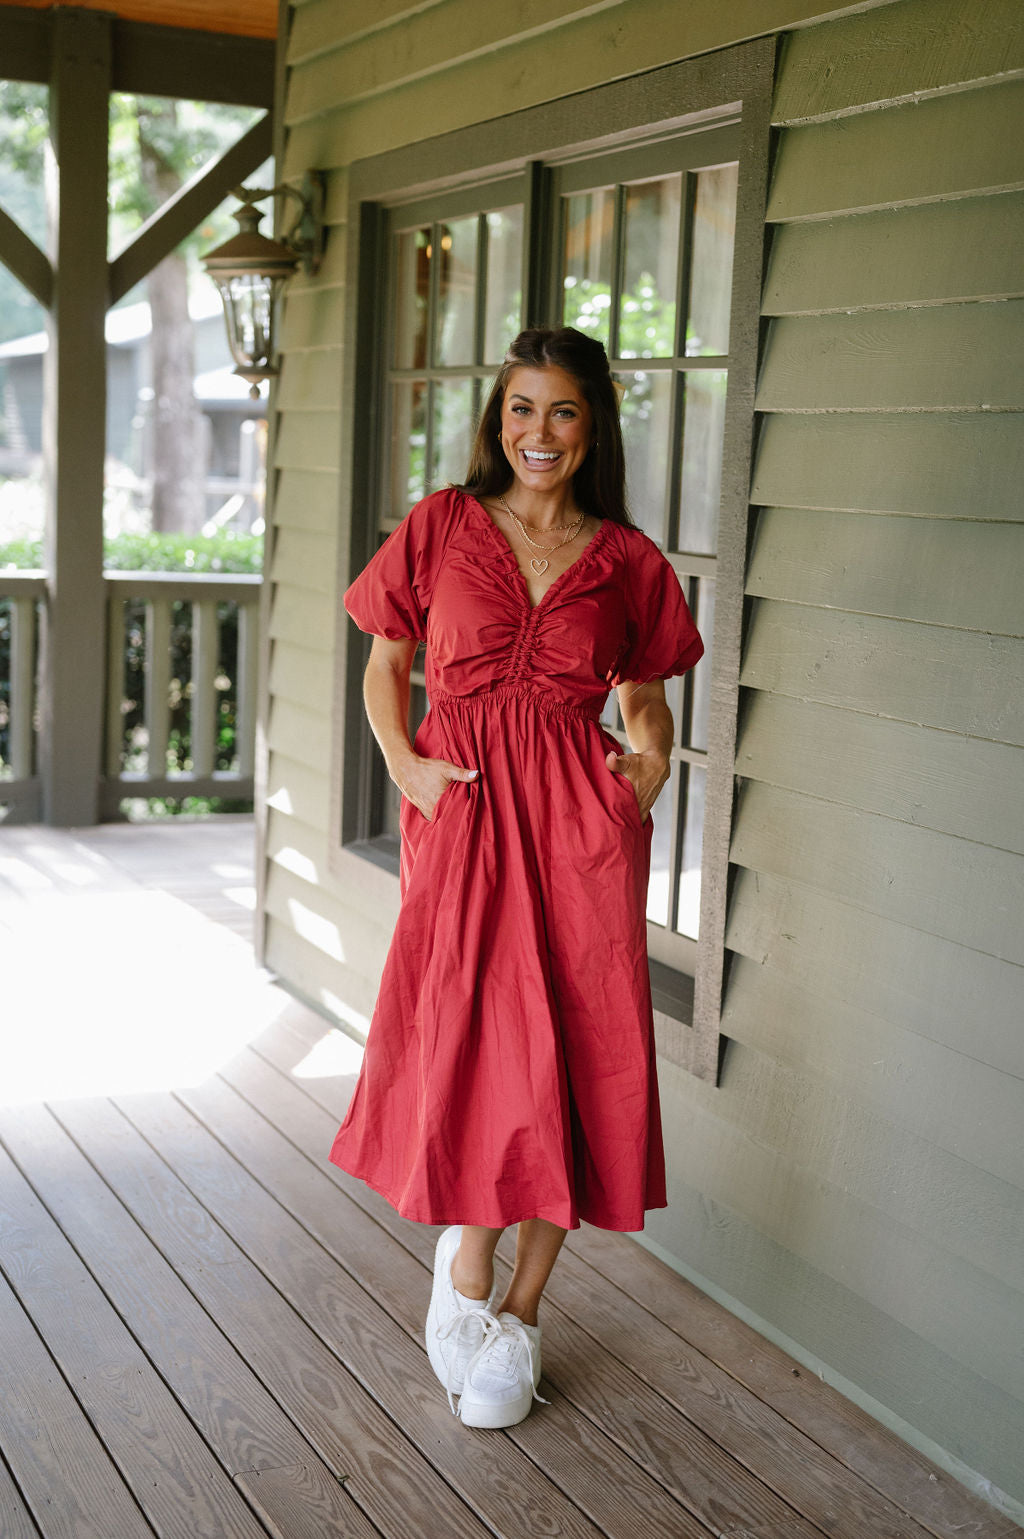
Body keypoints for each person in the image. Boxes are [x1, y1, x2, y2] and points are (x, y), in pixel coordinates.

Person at [330, 325, 703, 1429]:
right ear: (498, 420)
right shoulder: (443, 524)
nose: (537, 432)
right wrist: (409, 767)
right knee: (479, 1038)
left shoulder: (627, 558)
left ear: (592, 429)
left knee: (587, 1049)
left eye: (562, 412)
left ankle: (523, 1313)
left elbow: (645, 695)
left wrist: (642, 774)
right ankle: (463, 1275)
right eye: (520, 409)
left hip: (580, 826)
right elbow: (386, 663)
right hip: (467, 811)